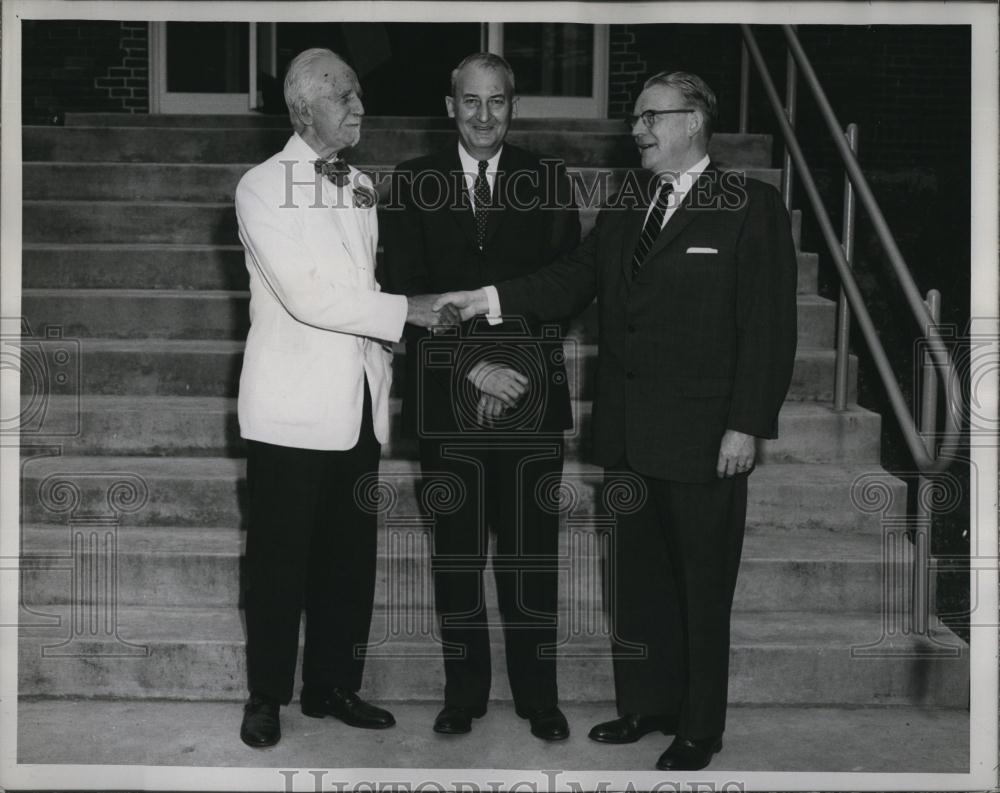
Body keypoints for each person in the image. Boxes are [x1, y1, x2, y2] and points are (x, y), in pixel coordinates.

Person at [434, 71, 798, 770]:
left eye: (651, 117)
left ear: (694, 122)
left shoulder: (750, 205)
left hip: (705, 436)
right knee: (638, 584)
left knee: (701, 588)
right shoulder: (630, 202)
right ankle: (646, 705)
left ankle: (699, 726)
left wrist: (747, 423)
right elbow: (572, 278)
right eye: (635, 117)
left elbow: (769, 325)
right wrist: (489, 299)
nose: (637, 129)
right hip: (630, 433)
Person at [234, 47, 452, 748]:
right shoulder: (261, 187)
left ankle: (332, 685)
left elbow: (362, 282)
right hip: (290, 412)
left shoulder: (359, 185)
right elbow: (307, 295)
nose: (361, 107)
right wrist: (405, 312)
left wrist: (393, 335)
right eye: (346, 97)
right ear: (304, 110)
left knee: (347, 562)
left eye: (359, 95)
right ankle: (267, 694)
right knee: (278, 563)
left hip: (358, 405)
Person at [380, 53, 581, 740]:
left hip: (530, 397)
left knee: (532, 555)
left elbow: (565, 287)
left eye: (497, 101)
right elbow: (405, 294)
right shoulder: (411, 184)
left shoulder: (548, 179)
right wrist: (474, 370)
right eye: (471, 101)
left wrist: (509, 373)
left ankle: (539, 697)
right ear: (450, 107)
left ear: (513, 106)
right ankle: (463, 693)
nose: (484, 115)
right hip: (447, 398)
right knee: (458, 556)